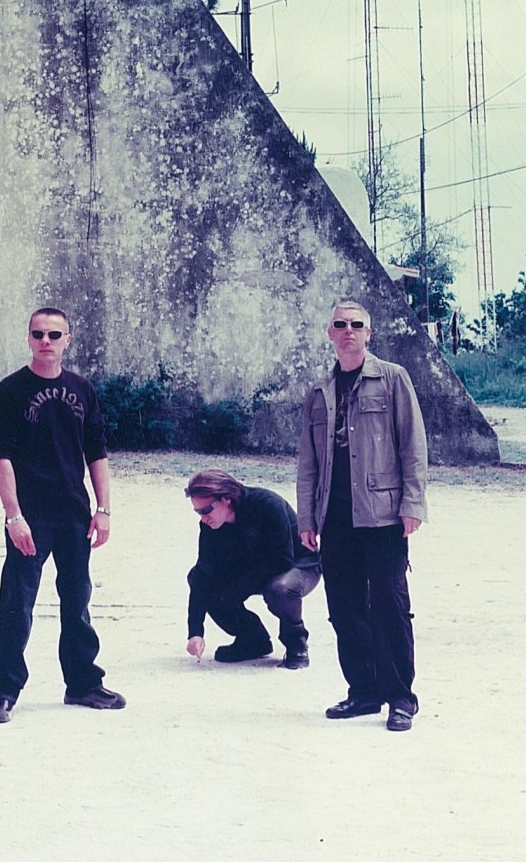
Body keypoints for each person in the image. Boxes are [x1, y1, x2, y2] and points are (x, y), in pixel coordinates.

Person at [0, 307, 125, 724]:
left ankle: (82, 683)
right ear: (28, 339)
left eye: (54, 334)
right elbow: (1, 457)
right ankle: (3, 691)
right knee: (16, 603)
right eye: (38, 334)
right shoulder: (10, 391)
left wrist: (103, 510)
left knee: (77, 601)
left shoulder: (82, 389)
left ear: (68, 340)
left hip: (74, 515)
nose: (46, 341)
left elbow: (96, 450)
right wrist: (14, 516)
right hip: (31, 517)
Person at [297, 300, 428, 732]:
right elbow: (308, 464)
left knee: (390, 604)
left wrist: (412, 504)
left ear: (369, 334)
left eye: (357, 324)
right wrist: (306, 518)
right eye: (340, 324)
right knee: (345, 607)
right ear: (330, 333)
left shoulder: (392, 379)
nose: (349, 330)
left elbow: (413, 445)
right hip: (334, 516)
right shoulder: (319, 392)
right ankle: (364, 692)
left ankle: (400, 698)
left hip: (383, 514)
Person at [183, 470, 321, 669]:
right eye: (198, 512)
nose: (203, 517)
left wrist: (236, 589)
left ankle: (296, 643)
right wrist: (195, 632)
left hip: (299, 565)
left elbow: (282, 560)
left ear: (227, 500)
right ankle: (252, 639)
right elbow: (202, 575)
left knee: (279, 588)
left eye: (206, 510)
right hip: (255, 568)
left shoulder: (267, 504)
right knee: (199, 579)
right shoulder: (210, 525)